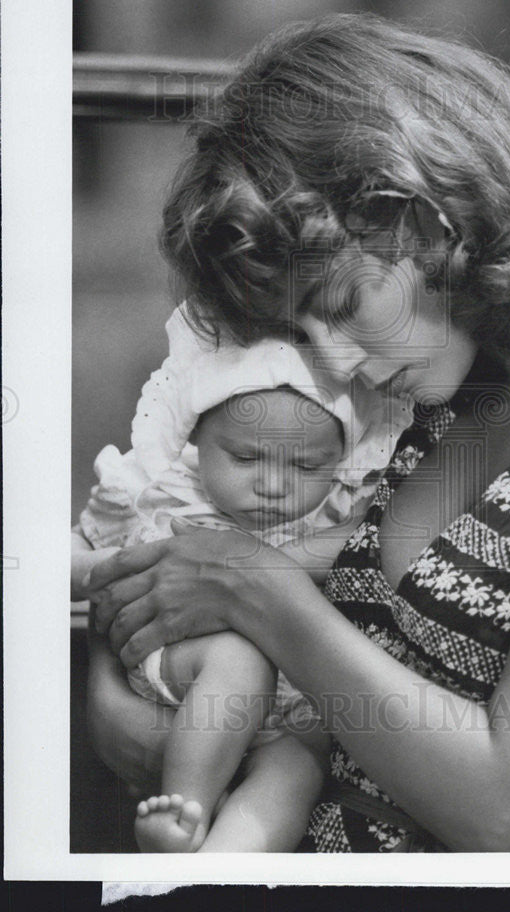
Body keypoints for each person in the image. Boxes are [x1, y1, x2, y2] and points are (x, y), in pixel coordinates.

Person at [87, 13, 510, 852]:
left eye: (336, 306)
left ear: (423, 219)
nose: (331, 360)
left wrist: (266, 596)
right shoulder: (446, 388)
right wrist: (121, 701)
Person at [74, 303, 412, 851]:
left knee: (299, 766)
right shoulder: (158, 491)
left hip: (292, 702)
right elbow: (73, 557)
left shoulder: (334, 517)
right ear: (198, 438)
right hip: (189, 663)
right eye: (246, 457)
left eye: (304, 466)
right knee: (239, 661)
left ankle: (220, 862)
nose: (273, 486)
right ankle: (185, 811)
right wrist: (113, 569)